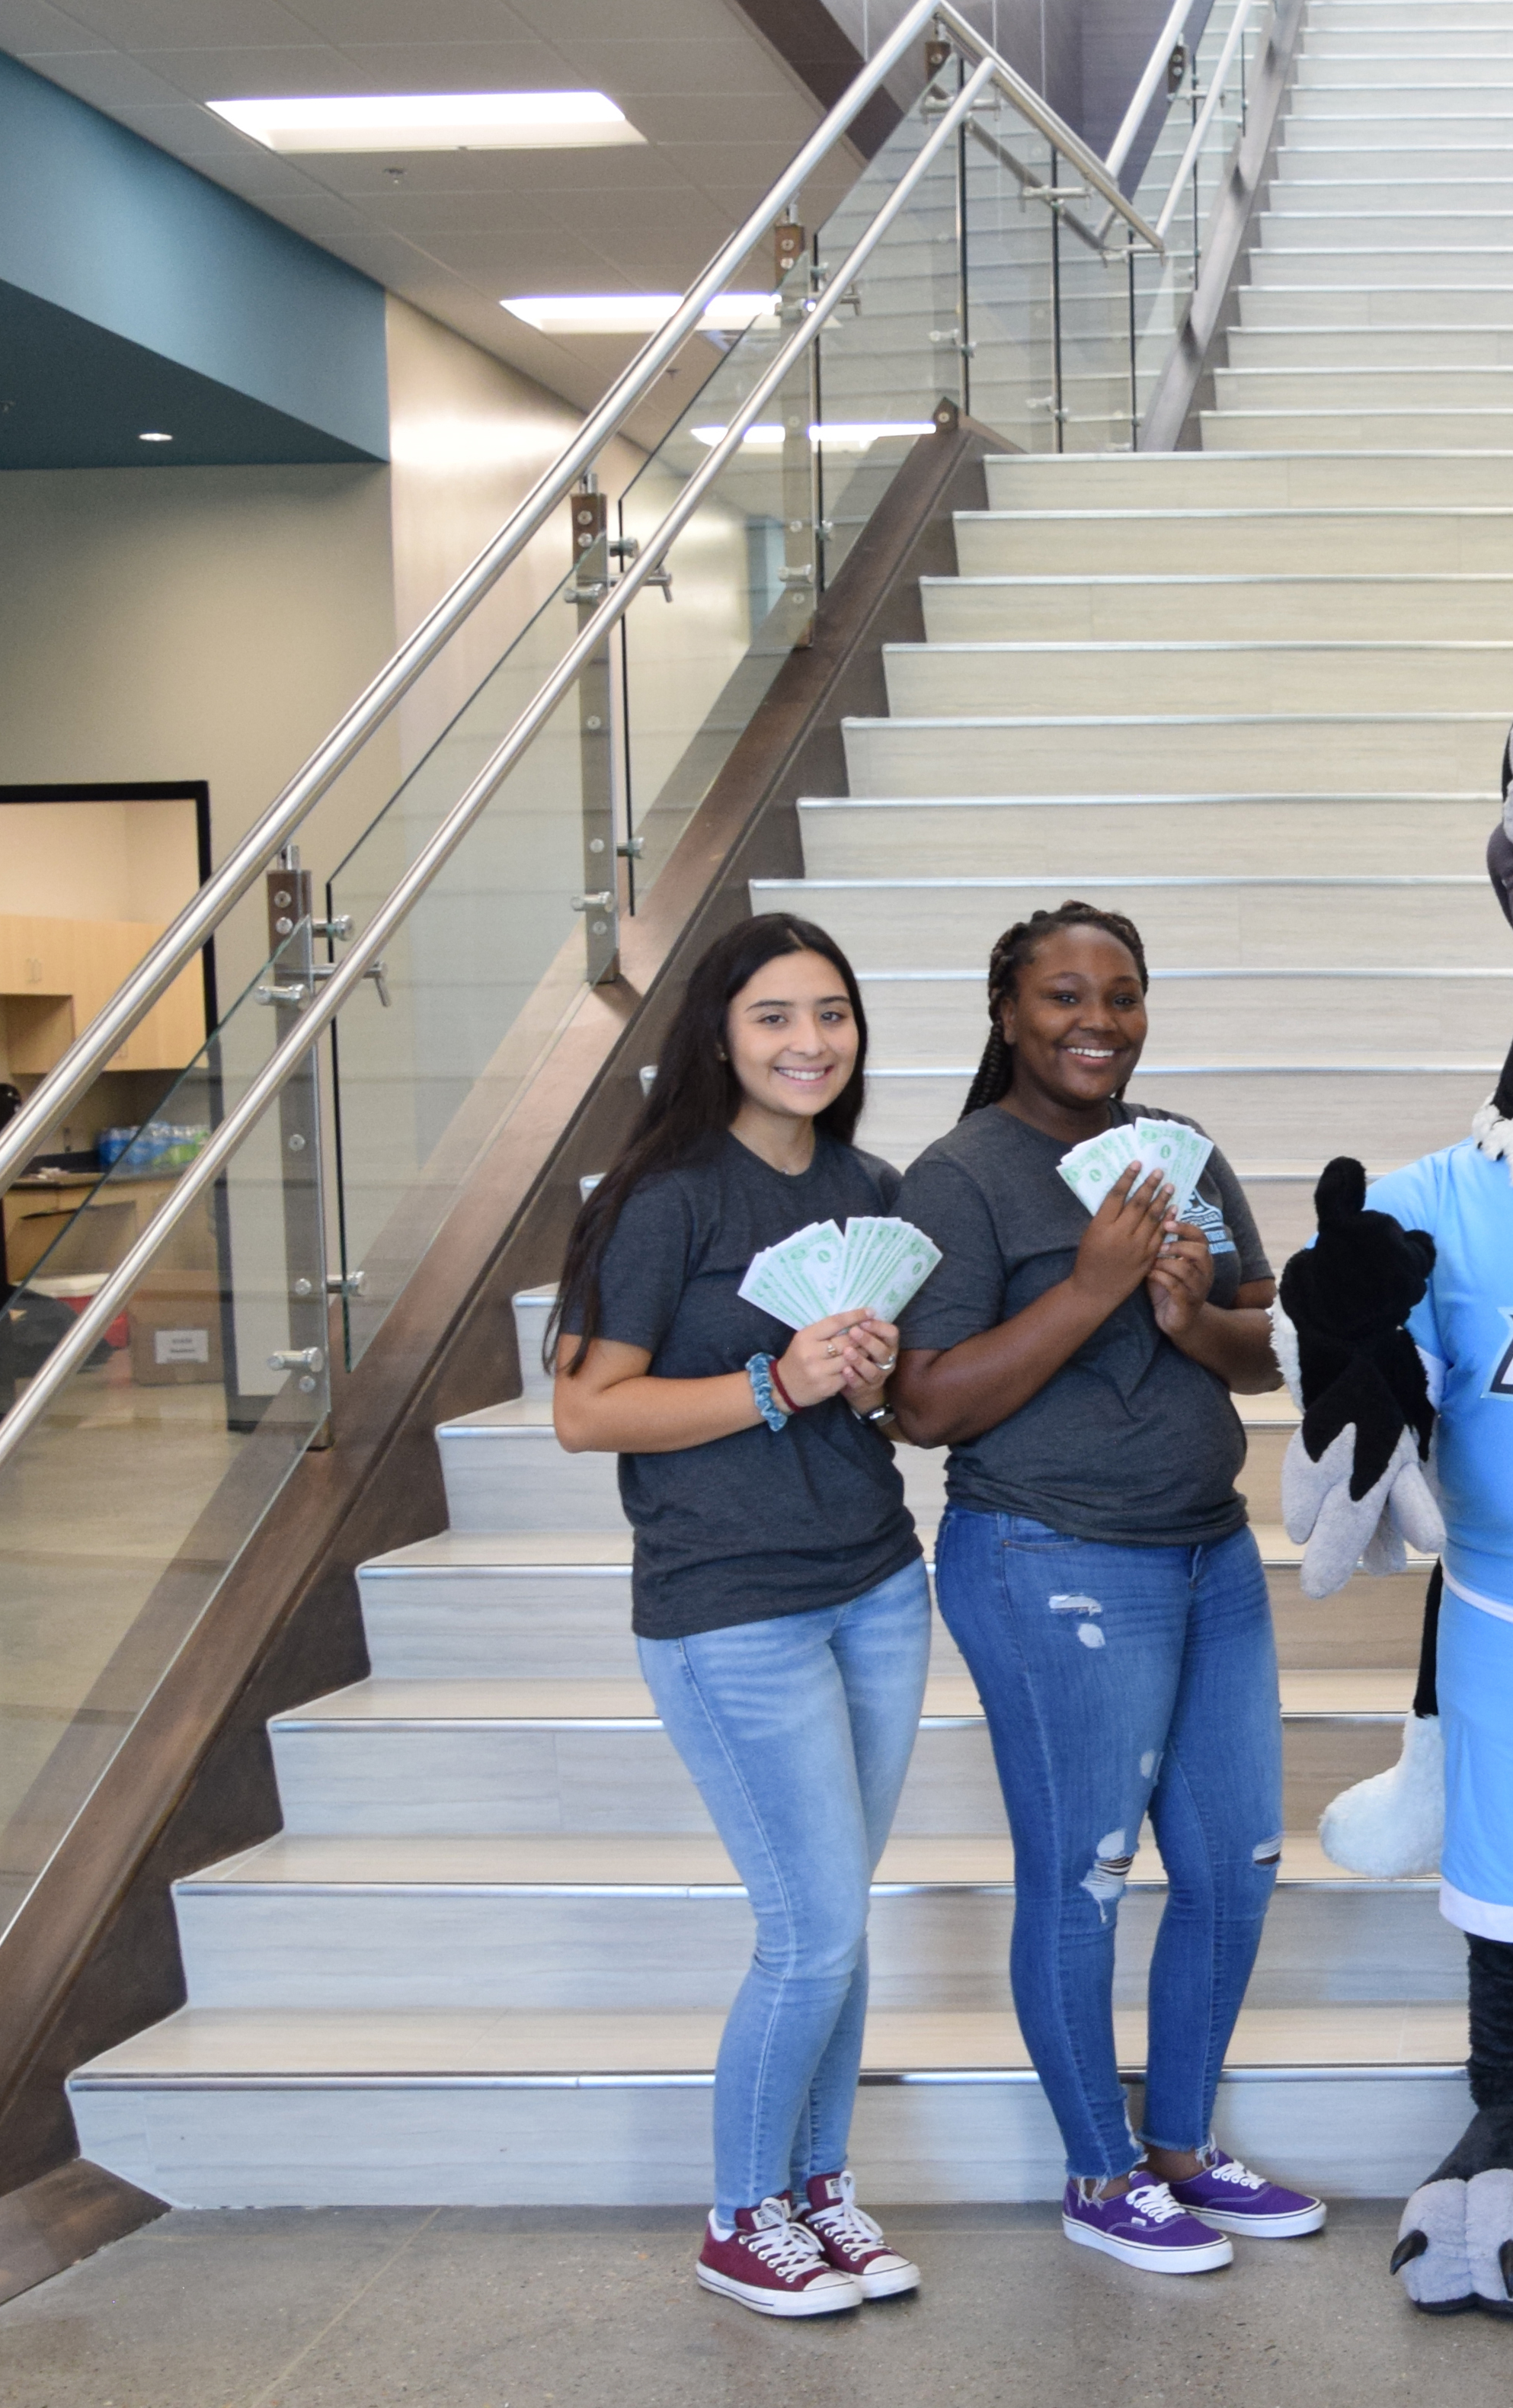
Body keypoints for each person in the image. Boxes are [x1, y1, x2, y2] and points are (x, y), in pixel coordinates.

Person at [884, 901, 1321, 2275]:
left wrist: (1193, 1317)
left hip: (1209, 1553)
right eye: (1064, 995)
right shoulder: (956, 1178)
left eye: (1122, 996)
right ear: (1006, 1012)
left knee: (1236, 1865)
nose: (1097, 1021)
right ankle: (1098, 2167)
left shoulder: (1180, 1153)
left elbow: (1267, 1356)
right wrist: (1091, 1289)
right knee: (1082, 1875)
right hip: (1048, 1562)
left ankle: (1182, 2147)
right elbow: (927, 1407)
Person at [545, 911, 929, 2319]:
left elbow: (884, 1400)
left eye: (831, 1013)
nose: (808, 1042)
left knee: (845, 1920)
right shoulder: (668, 1199)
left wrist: (872, 1376)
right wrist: (777, 1384)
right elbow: (587, 1412)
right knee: (809, 1927)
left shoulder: (874, 1185)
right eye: (775, 1015)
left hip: (878, 1586)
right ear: (719, 1034)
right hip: (729, 1611)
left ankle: (820, 2189)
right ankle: (740, 2215)